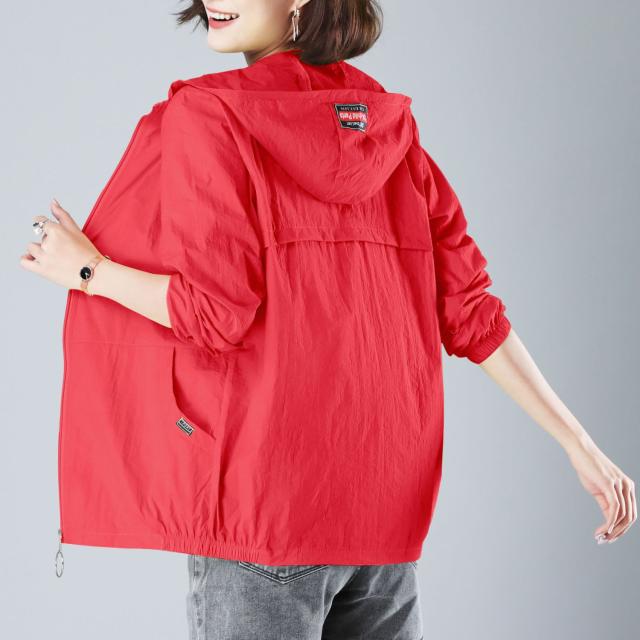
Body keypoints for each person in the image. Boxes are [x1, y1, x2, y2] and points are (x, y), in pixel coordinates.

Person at [20, 1, 636, 639]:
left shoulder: (211, 114)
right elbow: (472, 310)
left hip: (266, 515)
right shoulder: (385, 128)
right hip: (383, 519)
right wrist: (579, 445)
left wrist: (88, 271)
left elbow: (216, 312)